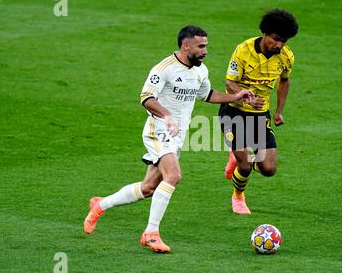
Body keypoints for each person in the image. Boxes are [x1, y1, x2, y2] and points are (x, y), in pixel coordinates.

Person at [83, 25, 253, 253]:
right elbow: (146, 97)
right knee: (174, 176)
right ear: (186, 46)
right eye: (201, 46)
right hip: (158, 129)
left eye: (206, 46)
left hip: (176, 136)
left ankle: (100, 205)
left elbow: (207, 95)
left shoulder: (201, 71)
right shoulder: (165, 68)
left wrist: (235, 96)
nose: (205, 51)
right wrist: (167, 115)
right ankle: (151, 233)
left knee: (148, 187)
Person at [219, 9, 298, 215]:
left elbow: (285, 81)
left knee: (269, 169)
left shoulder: (286, 57)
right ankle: (238, 196)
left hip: (260, 115)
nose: (279, 45)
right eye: (275, 39)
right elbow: (229, 82)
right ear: (265, 33)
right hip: (233, 112)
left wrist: (279, 111)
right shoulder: (243, 51)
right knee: (245, 166)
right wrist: (246, 96)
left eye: (284, 41)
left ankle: (237, 159)